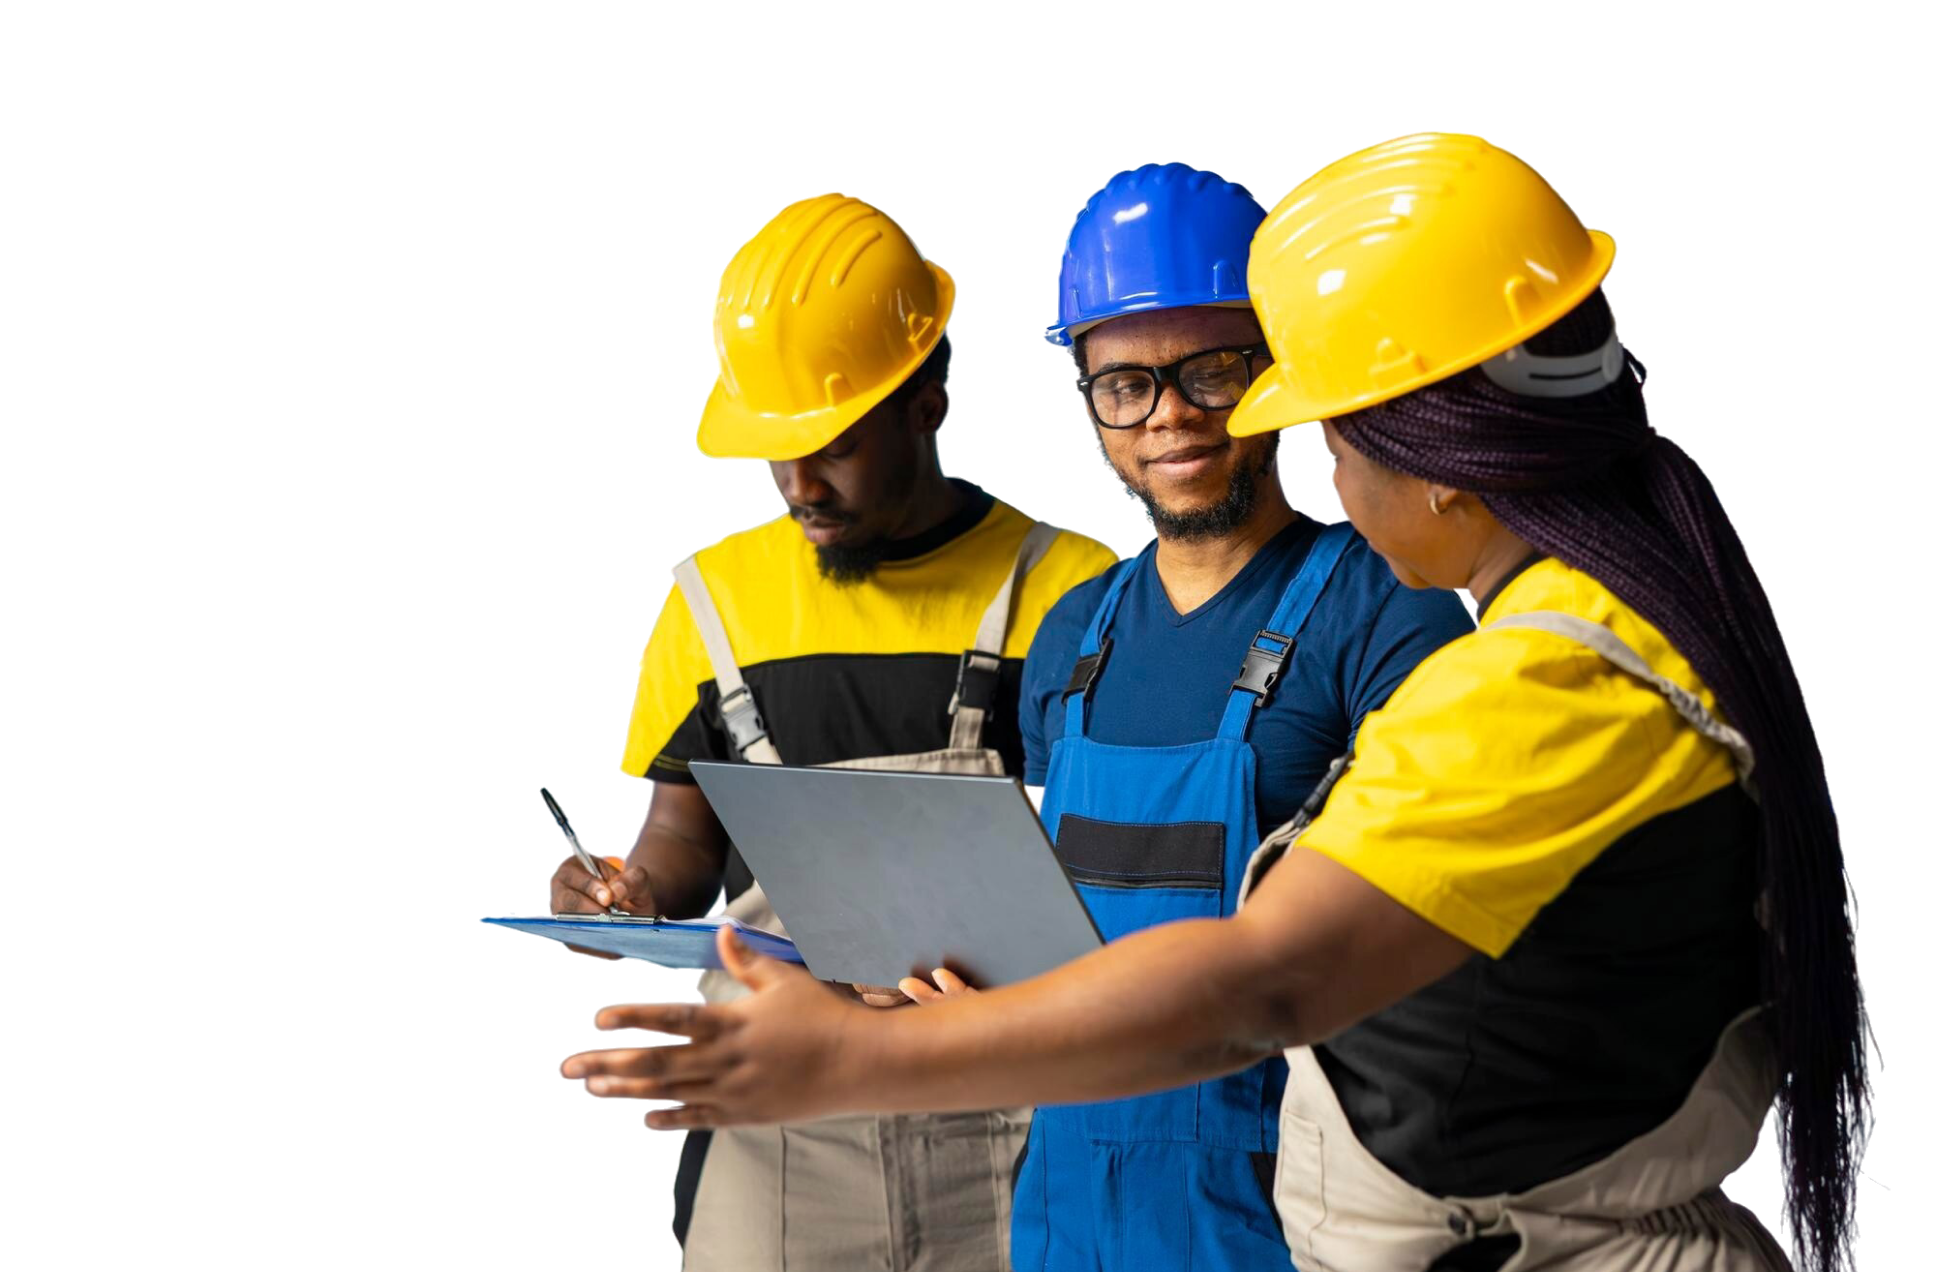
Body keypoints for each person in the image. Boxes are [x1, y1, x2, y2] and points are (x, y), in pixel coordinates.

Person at [559, 135, 1874, 1272]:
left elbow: (1270, 979)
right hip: (1089, 1168)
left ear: (1429, 449)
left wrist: (852, 1063)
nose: (1178, 421)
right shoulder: (1606, 620)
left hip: (1377, 1211)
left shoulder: (1532, 672)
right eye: (1124, 384)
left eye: (1298, 411)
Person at [546, 190, 1118, 1271]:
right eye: (776, 451)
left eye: (834, 446)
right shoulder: (712, 599)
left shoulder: (1075, 588)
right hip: (776, 1125)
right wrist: (620, 893)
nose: (800, 485)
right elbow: (681, 842)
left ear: (927, 402)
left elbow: (1114, 870)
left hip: (1011, 1112)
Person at [984, 160, 1472, 1272]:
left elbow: (1424, 958)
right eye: (1125, 385)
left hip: (1292, 1208)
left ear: (1281, 370)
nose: (1171, 417)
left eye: (1213, 369)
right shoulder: (1071, 635)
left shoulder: (1390, 608)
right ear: (1087, 400)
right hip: (1064, 1201)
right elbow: (1050, 941)